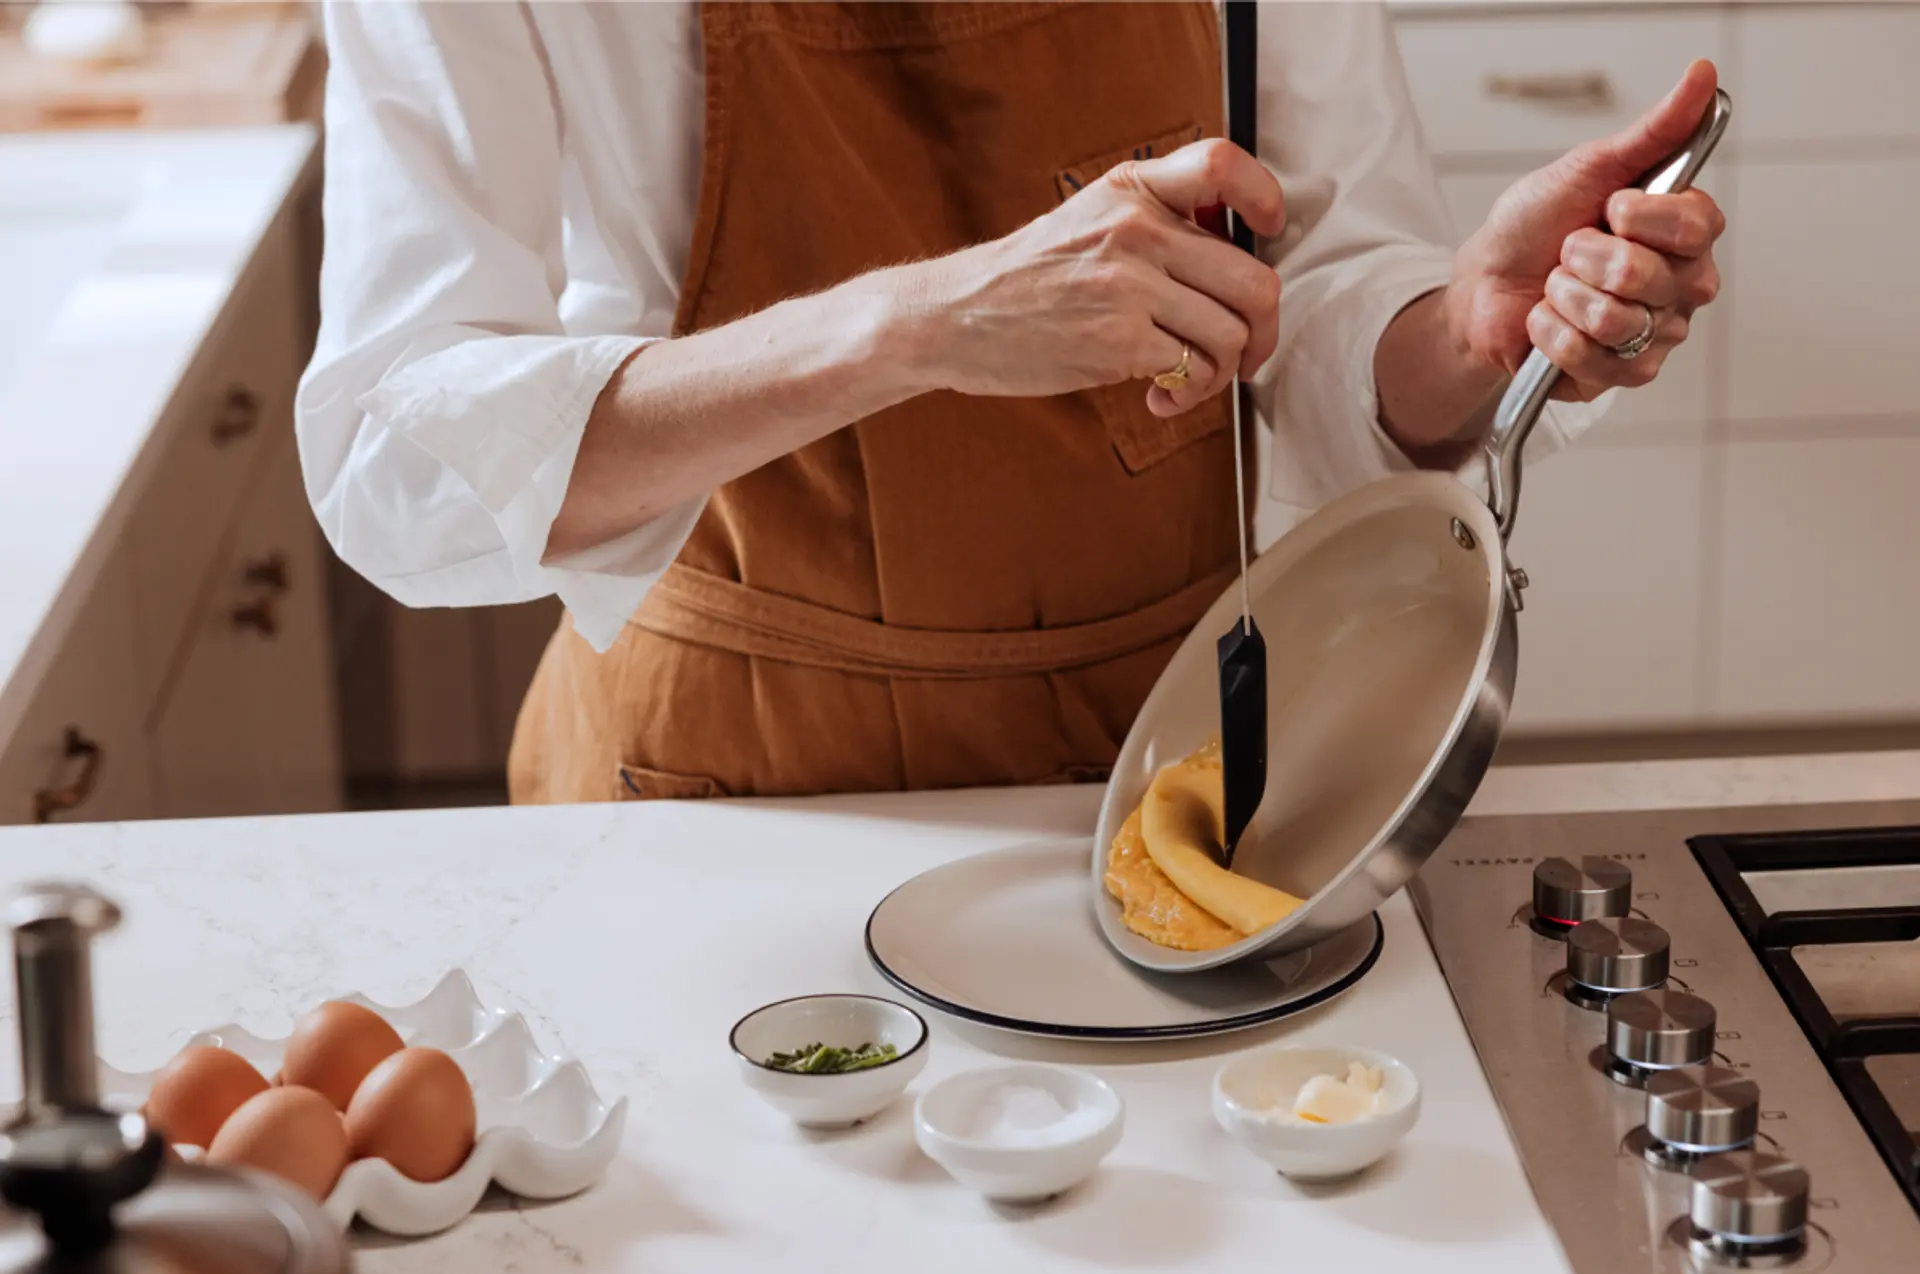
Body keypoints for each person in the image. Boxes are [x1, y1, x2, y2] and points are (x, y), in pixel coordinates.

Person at [297, 3, 1725, 805]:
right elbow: (395, 459)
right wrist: (913, 326)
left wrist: (1474, 340)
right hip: (733, 783)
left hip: (1160, 749)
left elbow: (1329, 290)